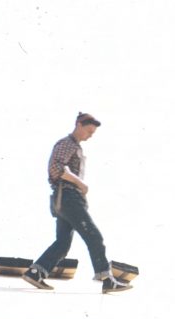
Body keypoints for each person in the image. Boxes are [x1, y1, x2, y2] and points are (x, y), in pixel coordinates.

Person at [22, 112, 132, 293]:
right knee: (94, 236)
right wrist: (80, 183)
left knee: (63, 243)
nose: (90, 136)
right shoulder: (67, 144)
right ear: (79, 125)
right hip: (68, 197)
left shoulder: (75, 146)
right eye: (89, 131)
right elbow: (56, 167)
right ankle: (106, 278)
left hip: (64, 199)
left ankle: (36, 272)